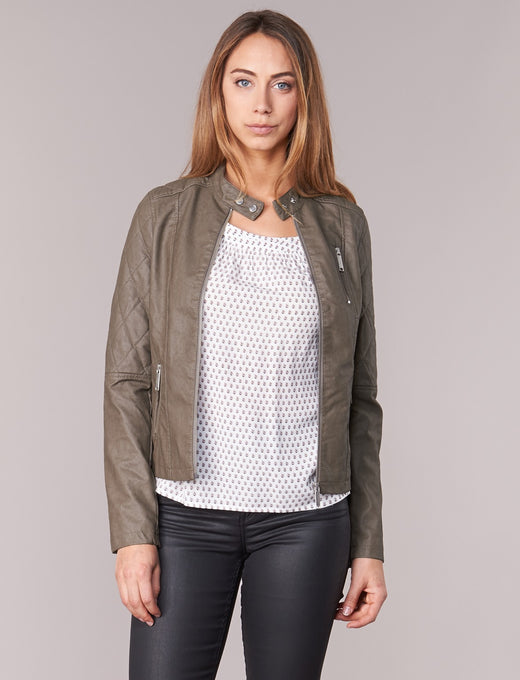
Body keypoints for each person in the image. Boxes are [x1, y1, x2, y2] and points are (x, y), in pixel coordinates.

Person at [103, 9, 387, 680]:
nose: (262, 103)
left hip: (306, 523)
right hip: (184, 518)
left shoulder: (343, 226)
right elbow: (127, 383)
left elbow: (361, 398)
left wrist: (368, 544)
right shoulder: (164, 215)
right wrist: (133, 534)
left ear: (304, 98)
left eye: (282, 84)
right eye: (243, 81)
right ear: (218, 92)